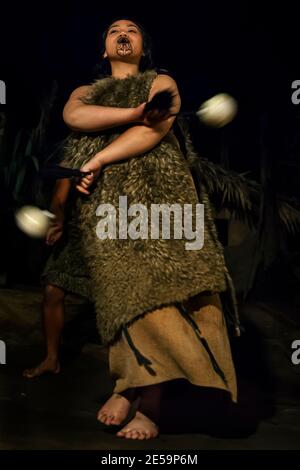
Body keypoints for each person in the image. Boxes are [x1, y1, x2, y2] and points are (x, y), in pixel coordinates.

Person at [30, 17, 240, 439]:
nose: (123, 33)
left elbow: (154, 130)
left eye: (132, 30)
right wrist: (136, 113)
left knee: (159, 292)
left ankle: (150, 407)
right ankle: (129, 383)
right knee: (120, 293)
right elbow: (76, 117)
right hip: (105, 204)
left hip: (162, 198)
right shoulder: (84, 92)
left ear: (143, 48)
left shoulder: (162, 82)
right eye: (113, 30)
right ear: (104, 50)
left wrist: (96, 160)